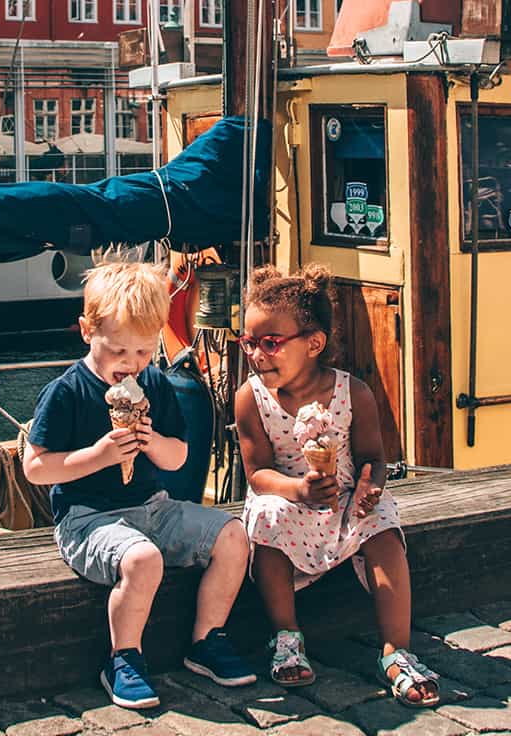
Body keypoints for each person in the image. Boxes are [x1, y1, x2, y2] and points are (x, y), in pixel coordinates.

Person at [22, 259, 256, 709]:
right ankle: (123, 658)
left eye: (144, 352)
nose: (131, 365)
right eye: (119, 352)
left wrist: (150, 442)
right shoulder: (67, 391)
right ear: (87, 331)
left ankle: (206, 641)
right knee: (144, 560)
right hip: (87, 517)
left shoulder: (153, 383)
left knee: (233, 535)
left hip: (154, 507)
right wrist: (100, 455)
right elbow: (35, 467)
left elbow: (179, 456)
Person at [234, 264, 439, 707]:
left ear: (313, 343)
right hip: (287, 496)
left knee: (383, 525)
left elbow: (374, 460)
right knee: (266, 518)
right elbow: (256, 474)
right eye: (248, 343)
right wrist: (298, 491)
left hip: (344, 501)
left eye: (270, 344)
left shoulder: (354, 393)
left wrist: (371, 487)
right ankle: (286, 636)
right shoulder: (251, 398)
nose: (256, 354)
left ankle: (396, 651)